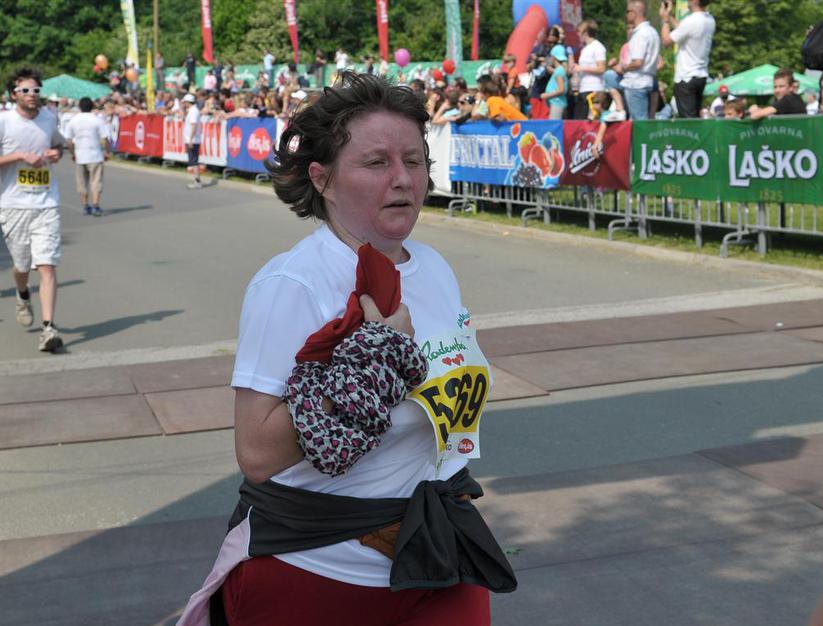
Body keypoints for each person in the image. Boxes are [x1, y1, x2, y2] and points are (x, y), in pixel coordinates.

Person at [175, 72, 515, 626]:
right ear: (323, 179)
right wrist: (376, 362)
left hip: (436, 551)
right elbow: (257, 453)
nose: (403, 179)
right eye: (376, 163)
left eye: (414, 160)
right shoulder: (293, 282)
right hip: (318, 567)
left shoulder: (434, 267)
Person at [0, 67, 66, 352]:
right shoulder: (1, 122)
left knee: (47, 265)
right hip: (15, 205)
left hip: (46, 202)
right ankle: (22, 292)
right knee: (22, 266)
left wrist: (56, 153)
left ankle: (48, 328)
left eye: (36, 90)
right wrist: (18, 156)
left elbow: (59, 144)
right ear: (14, 94)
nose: (32, 95)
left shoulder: (48, 118)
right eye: (25, 90)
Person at [659, 0, 716, 118]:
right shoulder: (710, 20)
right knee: (694, 117)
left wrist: (665, 20)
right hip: (700, 76)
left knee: (689, 121)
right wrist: (669, 15)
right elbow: (683, 29)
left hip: (686, 78)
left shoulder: (690, 21)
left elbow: (666, 41)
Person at [63, 97, 110, 216]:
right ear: (92, 106)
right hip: (95, 154)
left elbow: (68, 140)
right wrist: (107, 152)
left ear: (79, 107)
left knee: (82, 183)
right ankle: (96, 205)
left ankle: (85, 206)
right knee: (96, 181)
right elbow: (105, 138)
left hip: (80, 154)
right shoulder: (97, 120)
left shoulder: (74, 120)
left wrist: (72, 153)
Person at [618, 0, 661, 120]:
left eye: (628, 11)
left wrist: (623, 67)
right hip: (647, 80)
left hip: (636, 82)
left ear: (634, 13)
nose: (626, 15)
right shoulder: (652, 32)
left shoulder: (640, 34)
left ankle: (619, 110)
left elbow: (637, 62)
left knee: (639, 123)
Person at [572, 20, 607, 120]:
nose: (578, 35)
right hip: (583, 88)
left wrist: (582, 68)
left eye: (579, 32)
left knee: (590, 120)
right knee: (579, 119)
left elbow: (601, 68)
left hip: (594, 88)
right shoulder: (585, 49)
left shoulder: (598, 47)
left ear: (585, 32)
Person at [541, 45, 570, 119]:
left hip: (557, 103)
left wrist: (547, 95)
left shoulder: (559, 71)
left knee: (554, 124)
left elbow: (561, 89)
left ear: (554, 57)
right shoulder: (559, 70)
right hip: (555, 103)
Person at [181, 93, 204, 189]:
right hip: (192, 139)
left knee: (194, 161)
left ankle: (197, 181)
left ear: (188, 102)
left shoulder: (194, 111)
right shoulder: (191, 111)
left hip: (193, 140)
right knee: (193, 161)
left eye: (184, 102)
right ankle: (197, 180)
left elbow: (193, 125)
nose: (183, 104)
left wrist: (190, 139)